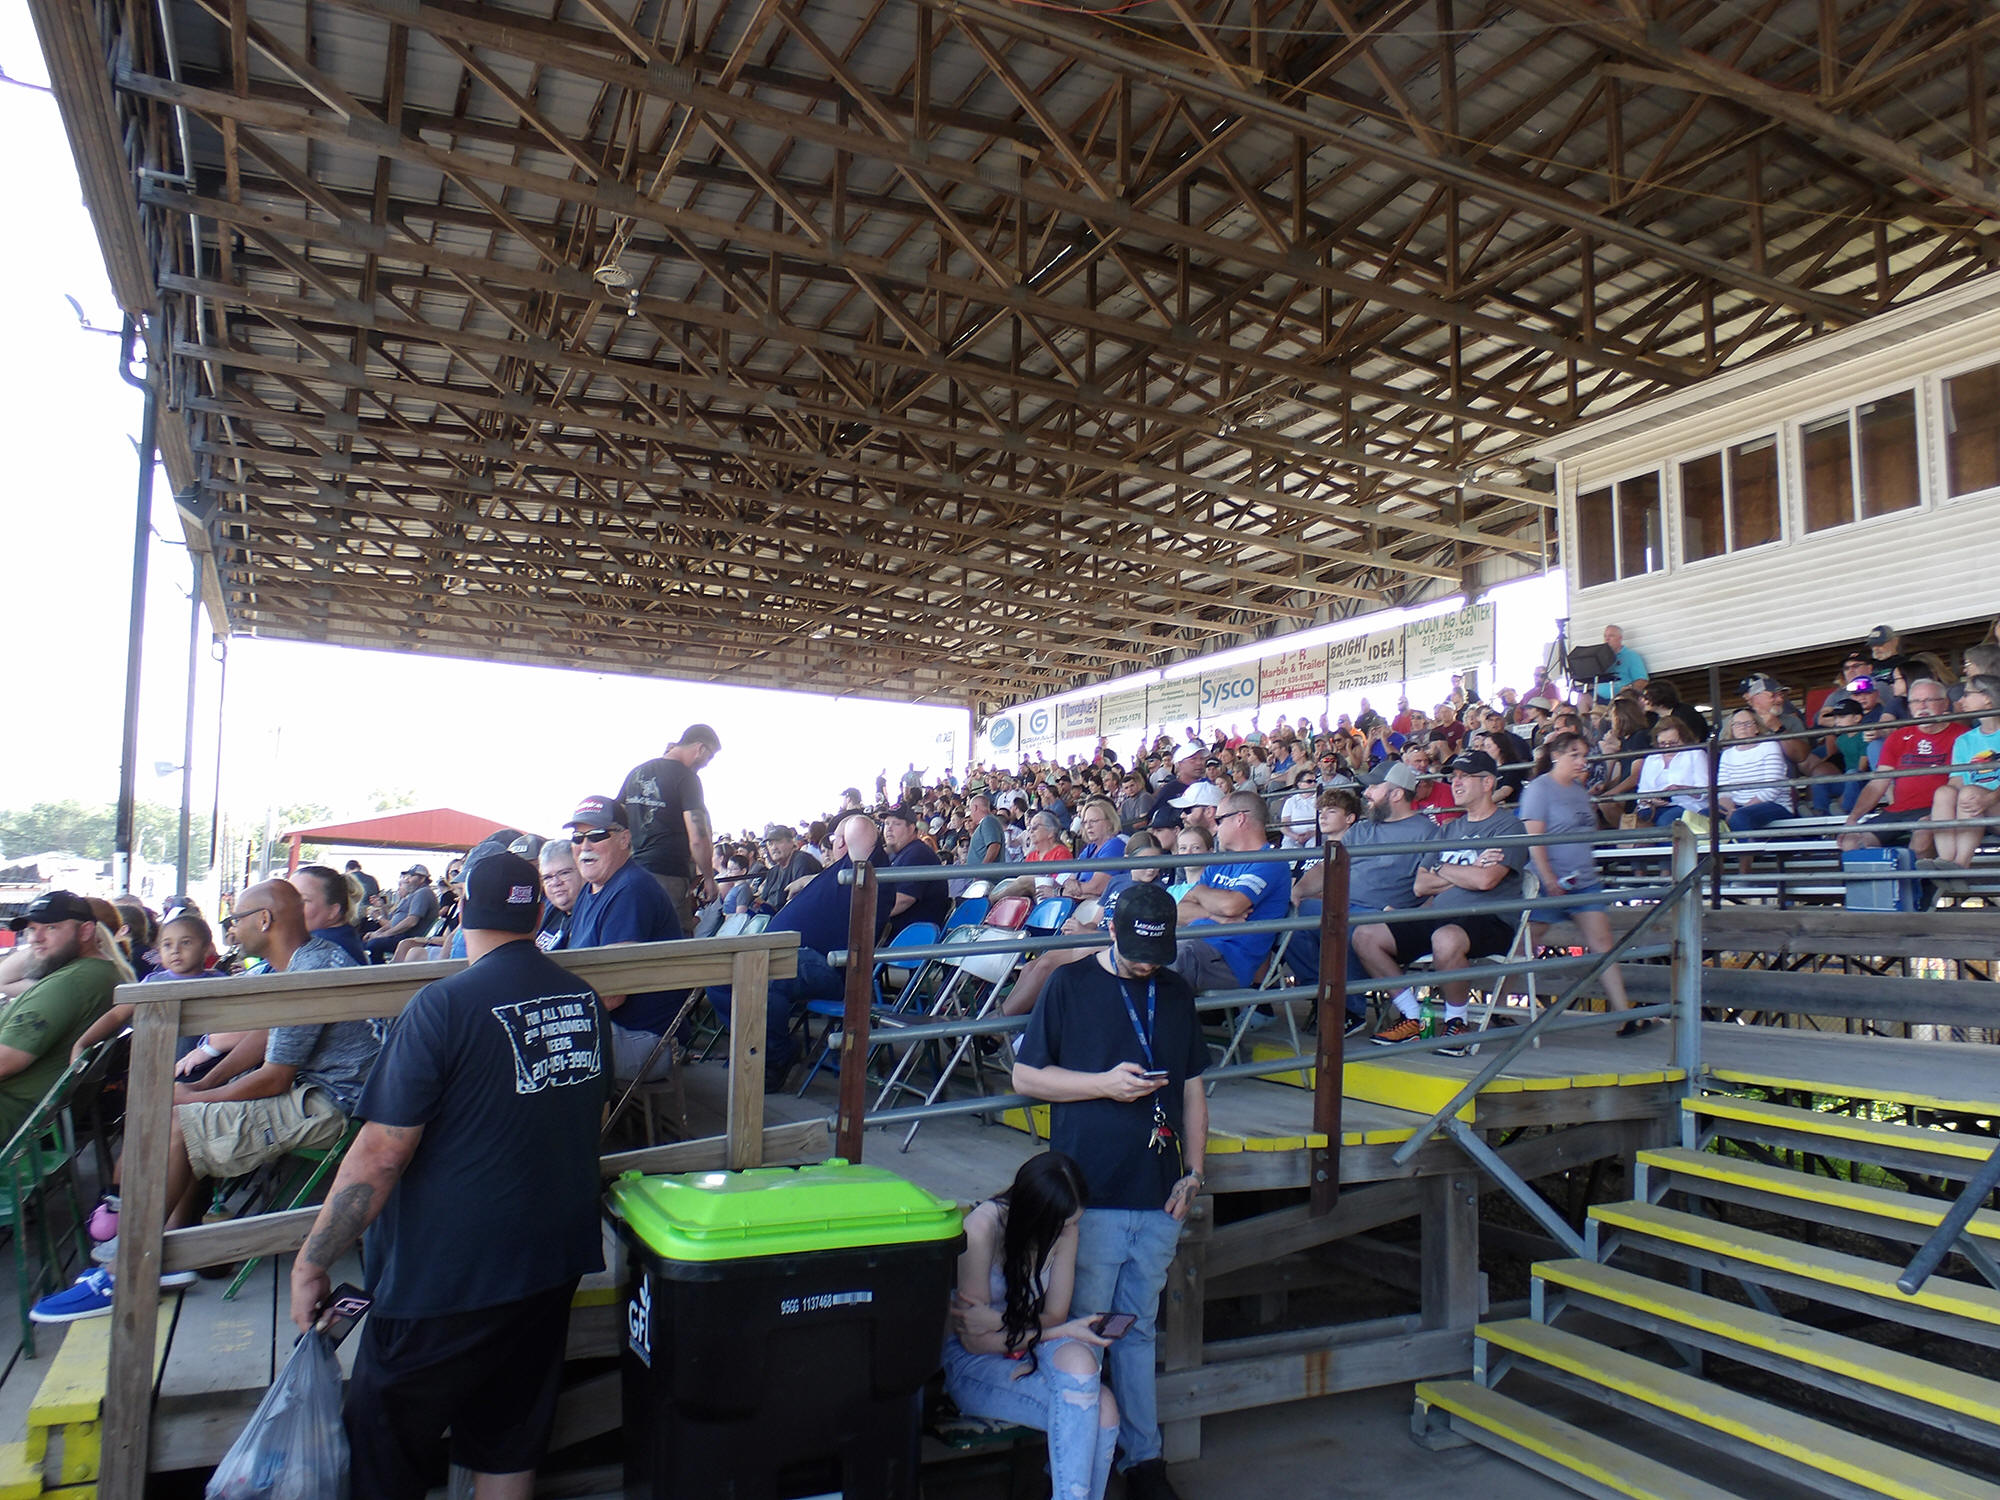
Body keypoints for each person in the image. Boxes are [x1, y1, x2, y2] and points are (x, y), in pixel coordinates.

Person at [290, 852, 609, 1500]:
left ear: (460, 912)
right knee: (508, 1439)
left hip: (447, 1275)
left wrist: (312, 1260)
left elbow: (381, 1153)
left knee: (384, 1447)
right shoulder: (584, 1000)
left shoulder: (442, 1005)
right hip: (552, 1258)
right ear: (539, 913)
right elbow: (592, 1113)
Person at [39, 881, 376, 1323]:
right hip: (328, 1092)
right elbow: (264, 1038)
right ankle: (161, 1255)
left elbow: (274, 1077)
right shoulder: (306, 961)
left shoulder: (302, 977)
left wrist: (198, 1096)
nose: (232, 929)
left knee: (177, 1123)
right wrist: (202, 1087)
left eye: (235, 919)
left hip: (334, 1105)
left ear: (264, 920)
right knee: (179, 1112)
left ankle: (126, 1272)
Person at [1012, 883, 1205, 1500]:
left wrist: (1195, 1172)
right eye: (1138, 954)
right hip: (1088, 1196)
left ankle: (1145, 1462)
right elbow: (1026, 1077)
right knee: (1083, 1329)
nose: (1147, 966)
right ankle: (1073, 1460)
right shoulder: (1069, 984)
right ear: (1112, 931)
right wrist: (1102, 1085)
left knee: (1138, 1328)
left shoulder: (1174, 991)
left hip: (1161, 1192)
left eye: (1157, 955)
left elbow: (1193, 1087)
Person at [943, 1153, 1118, 1500]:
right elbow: (976, 1342)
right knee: (1100, 1408)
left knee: (1093, 1382)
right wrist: (1061, 1331)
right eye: (1062, 1224)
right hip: (975, 1365)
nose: (1069, 1230)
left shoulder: (1065, 1230)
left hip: (1024, 1345)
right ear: (1036, 1215)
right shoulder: (982, 1229)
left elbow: (1055, 1315)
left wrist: (1004, 1322)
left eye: (1073, 1222)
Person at [1354, 751, 1527, 1055]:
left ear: (1488, 783)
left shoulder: (1508, 827)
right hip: (1440, 915)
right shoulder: (1448, 829)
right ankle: (1414, 1018)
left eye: (1464, 777)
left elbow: (1486, 881)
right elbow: (1421, 885)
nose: (1455, 782)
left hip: (1489, 918)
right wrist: (1466, 868)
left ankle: (1456, 1023)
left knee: (1445, 937)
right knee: (1365, 935)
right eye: (1453, 776)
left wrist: (1442, 870)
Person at [710, 814, 880, 1091]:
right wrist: (810, 880)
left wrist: (845, 833)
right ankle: (753, 1047)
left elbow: (861, 828)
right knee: (718, 977)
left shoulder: (864, 868)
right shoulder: (835, 869)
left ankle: (776, 1056)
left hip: (826, 963)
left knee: (765, 976)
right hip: (786, 950)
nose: (835, 844)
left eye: (839, 838)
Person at [1287, 768, 1437, 1034]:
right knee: (1289, 918)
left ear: (1396, 794)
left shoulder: (1426, 831)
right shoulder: (1361, 829)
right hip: (1343, 908)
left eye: (1374, 788)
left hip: (1385, 916)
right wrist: (1298, 891)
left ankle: (1349, 1009)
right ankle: (1324, 997)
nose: (1366, 793)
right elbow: (1327, 867)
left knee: (1342, 925)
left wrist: (1410, 914)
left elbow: (1434, 884)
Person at [1520, 732, 1641, 1033]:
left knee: (1602, 942)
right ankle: (1496, 1006)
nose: (1581, 761)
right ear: (1556, 755)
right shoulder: (1539, 789)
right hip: (1547, 882)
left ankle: (1623, 1014)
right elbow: (1534, 840)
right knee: (1524, 946)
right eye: (1574, 755)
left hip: (1582, 880)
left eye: (1584, 755)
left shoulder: (1579, 790)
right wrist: (1548, 877)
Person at [561, 795, 684, 1082]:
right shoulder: (590, 889)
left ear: (624, 839)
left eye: (597, 835)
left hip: (645, 1040)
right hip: (608, 1027)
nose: (585, 846)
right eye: (577, 838)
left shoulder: (630, 889)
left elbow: (612, 995)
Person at [1, 892, 120, 1141]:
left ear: (86, 932)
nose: (35, 938)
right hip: (40, 1117)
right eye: (32, 929)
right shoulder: (100, 972)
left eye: (51, 927)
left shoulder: (71, 984)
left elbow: (5, 1061)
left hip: (14, 1117)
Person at [1172, 790, 1291, 998]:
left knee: (1168, 958)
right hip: (1194, 948)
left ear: (1240, 818)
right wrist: (1212, 913)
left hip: (1228, 960)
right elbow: (1178, 910)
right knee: (1133, 950)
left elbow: (1232, 906)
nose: (1215, 827)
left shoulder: (1270, 861)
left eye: (1219, 820)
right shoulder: (1221, 862)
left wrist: (1198, 892)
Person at [619, 725, 722, 936]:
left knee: (636, 936)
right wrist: (709, 878)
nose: (706, 763)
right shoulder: (687, 778)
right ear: (700, 748)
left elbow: (618, 818)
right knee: (672, 941)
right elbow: (698, 837)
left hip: (632, 872)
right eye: (709, 757)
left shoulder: (637, 772)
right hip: (668, 875)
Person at [1841, 679, 1963, 855]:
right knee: (1851, 843)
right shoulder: (1898, 736)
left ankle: (1914, 872)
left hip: (1935, 811)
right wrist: (1853, 819)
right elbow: (1878, 783)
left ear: (1945, 704)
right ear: (1909, 707)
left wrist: (1941, 814)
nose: (1922, 706)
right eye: (1915, 701)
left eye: (1929, 700)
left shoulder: (1962, 736)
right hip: (1897, 811)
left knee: (1922, 837)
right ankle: (1891, 872)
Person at [1925, 675, 2000, 876]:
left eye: (1966, 694)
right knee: (1944, 792)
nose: (1960, 701)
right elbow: (1957, 779)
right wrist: (1939, 810)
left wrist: (1991, 798)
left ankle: (1960, 865)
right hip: (1977, 808)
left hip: (1994, 804)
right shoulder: (1964, 740)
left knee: (1969, 793)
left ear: (1987, 698)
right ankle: (1947, 862)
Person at [1716, 708, 1795, 835]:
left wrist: (1738, 811)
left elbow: (1772, 789)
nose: (1742, 727)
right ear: (1732, 729)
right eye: (1737, 724)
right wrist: (1730, 810)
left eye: (1748, 723)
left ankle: (1745, 848)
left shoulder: (1769, 746)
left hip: (1774, 804)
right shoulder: (1727, 754)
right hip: (1737, 807)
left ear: (1757, 728)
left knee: (1740, 817)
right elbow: (1723, 791)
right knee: (1705, 815)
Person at [880, 805, 950, 940]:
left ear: (911, 828)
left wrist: (868, 916)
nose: (889, 828)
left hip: (911, 939)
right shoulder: (903, 852)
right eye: (887, 823)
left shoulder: (917, 853)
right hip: (903, 933)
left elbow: (903, 900)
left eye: (896, 824)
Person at [1634, 719, 1710, 826]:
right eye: (1662, 743)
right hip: (1654, 807)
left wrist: (1681, 789)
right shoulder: (1651, 759)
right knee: (1639, 821)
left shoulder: (1695, 754)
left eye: (1673, 743)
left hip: (1687, 805)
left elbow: (1705, 790)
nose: (1667, 747)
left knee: (1666, 821)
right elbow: (1642, 792)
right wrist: (1652, 800)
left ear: (1684, 739)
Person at [293, 864, 366, 964]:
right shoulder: (345, 936)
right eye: (286, 897)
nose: (287, 906)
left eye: (303, 900)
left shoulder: (320, 947)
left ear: (332, 911)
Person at [366, 867, 440, 963]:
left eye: (410, 877)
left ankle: (380, 971)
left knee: (373, 944)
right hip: (400, 935)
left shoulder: (423, 892)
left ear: (422, 879)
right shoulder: (413, 895)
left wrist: (384, 935)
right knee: (367, 941)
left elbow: (411, 921)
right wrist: (377, 933)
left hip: (410, 938)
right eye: (406, 877)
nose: (406, 880)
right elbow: (392, 922)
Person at [753, 824, 821, 914]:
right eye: (770, 844)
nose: (774, 847)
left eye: (779, 842)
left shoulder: (802, 860)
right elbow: (762, 900)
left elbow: (801, 905)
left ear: (791, 843)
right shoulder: (773, 871)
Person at [534, 840, 581, 953]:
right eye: (547, 877)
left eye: (564, 873)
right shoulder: (550, 911)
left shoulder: (592, 912)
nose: (555, 882)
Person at [1593, 624, 1648, 702]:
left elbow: (1642, 681)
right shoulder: (1599, 656)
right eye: (1605, 636)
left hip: (1622, 699)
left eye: (1611, 636)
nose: (1607, 639)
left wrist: (1629, 689)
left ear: (1620, 638)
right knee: (1582, 698)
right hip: (1598, 698)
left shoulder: (1631, 656)